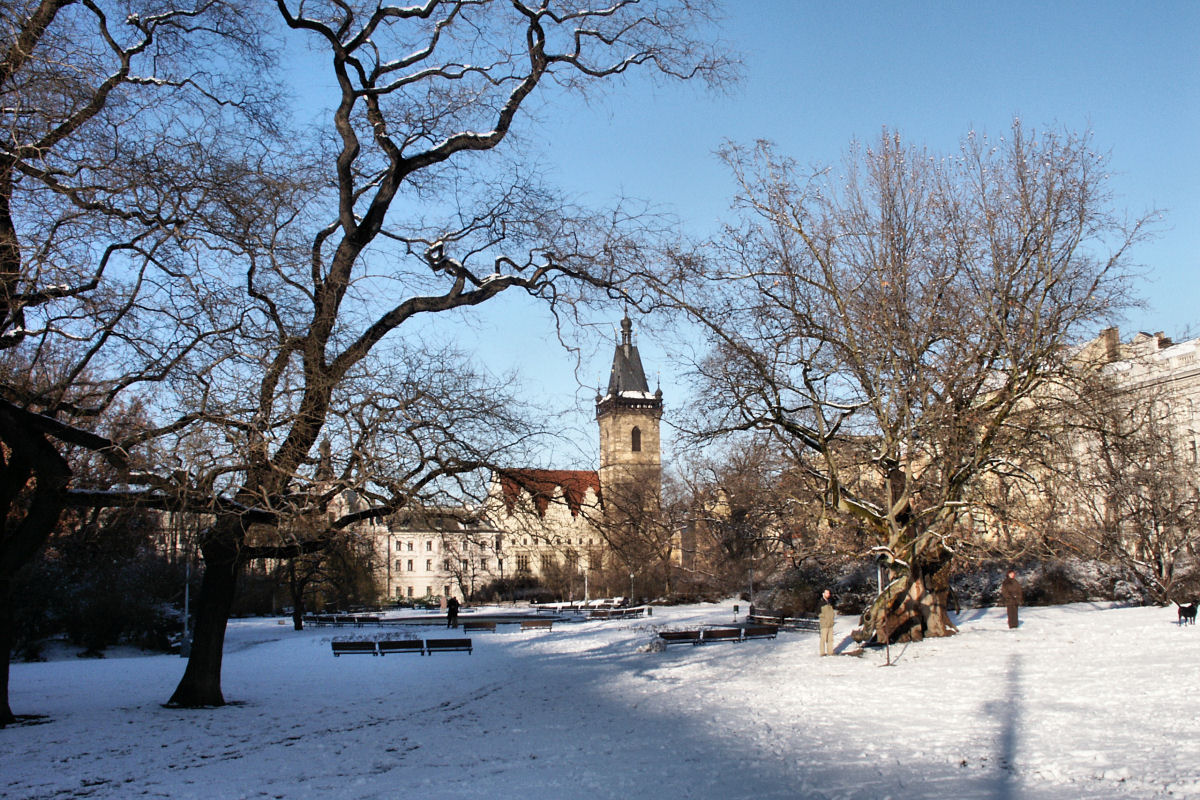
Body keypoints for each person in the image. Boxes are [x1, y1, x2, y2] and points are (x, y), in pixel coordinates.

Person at [818, 589, 836, 656]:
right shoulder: (820, 602)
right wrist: (823, 617)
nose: (828, 594)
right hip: (824, 624)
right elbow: (817, 612)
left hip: (830, 623)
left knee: (830, 639)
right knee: (823, 639)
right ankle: (822, 653)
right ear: (823, 594)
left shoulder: (830, 601)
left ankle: (830, 652)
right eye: (826, 593)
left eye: (829, 593)